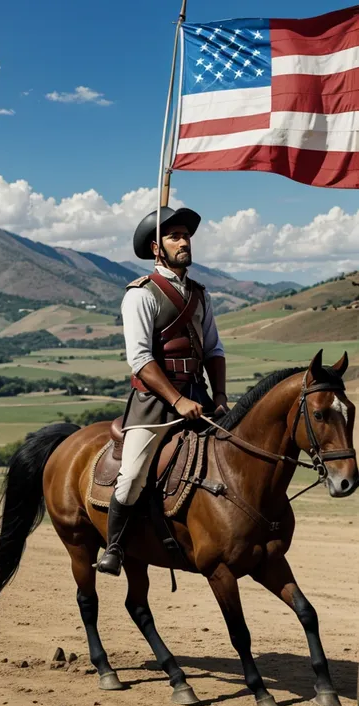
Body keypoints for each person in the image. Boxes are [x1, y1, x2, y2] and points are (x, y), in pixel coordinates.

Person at [95, 206, 228, 576]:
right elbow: (139, 359)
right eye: (174, 237)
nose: (184, 241)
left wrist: (218, 396)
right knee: (134, 473)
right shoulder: (141, 294)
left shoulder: (201, 295)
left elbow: (214, 350)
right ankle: (116, 547)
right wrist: (176, 400)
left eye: (186, 235)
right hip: (153, 405)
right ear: (157, 248)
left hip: (199, 399)